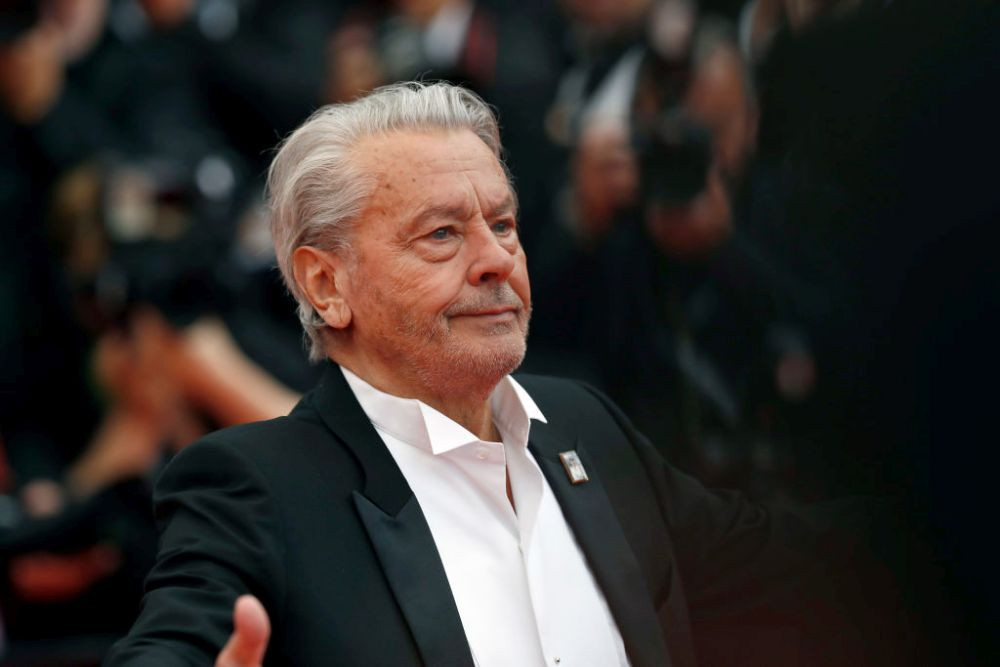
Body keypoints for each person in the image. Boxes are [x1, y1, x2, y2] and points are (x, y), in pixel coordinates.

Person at [106, 81, 906, 666]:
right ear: (327, 283)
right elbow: (173, 645)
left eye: (503, 223)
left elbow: (806, 559)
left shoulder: (587, 427)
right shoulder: (256, 486)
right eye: (442, 234)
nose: (496, 259)